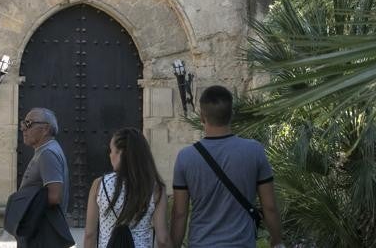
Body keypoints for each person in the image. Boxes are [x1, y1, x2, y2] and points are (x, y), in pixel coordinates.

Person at [170, 85, 284, 248]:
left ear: (202, 117)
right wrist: (277, 241)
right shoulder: (254, 150)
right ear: (232, 114)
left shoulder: (185, 157)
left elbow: (179, 214)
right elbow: (269, 207)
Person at [84, 128, 172, 248]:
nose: (110, 155)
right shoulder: (154, 187)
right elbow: (162, 239)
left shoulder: (100, 185)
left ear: (120, 153)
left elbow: (90, 234)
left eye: (112, 151)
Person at [4, 107, 73, 247]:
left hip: (40, 233)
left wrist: (22, 206)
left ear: (45, 129)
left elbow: (55, 196)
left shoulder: (48, 153)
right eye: (23, 123)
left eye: (29, 124)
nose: (23, 128)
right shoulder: (45, 151)